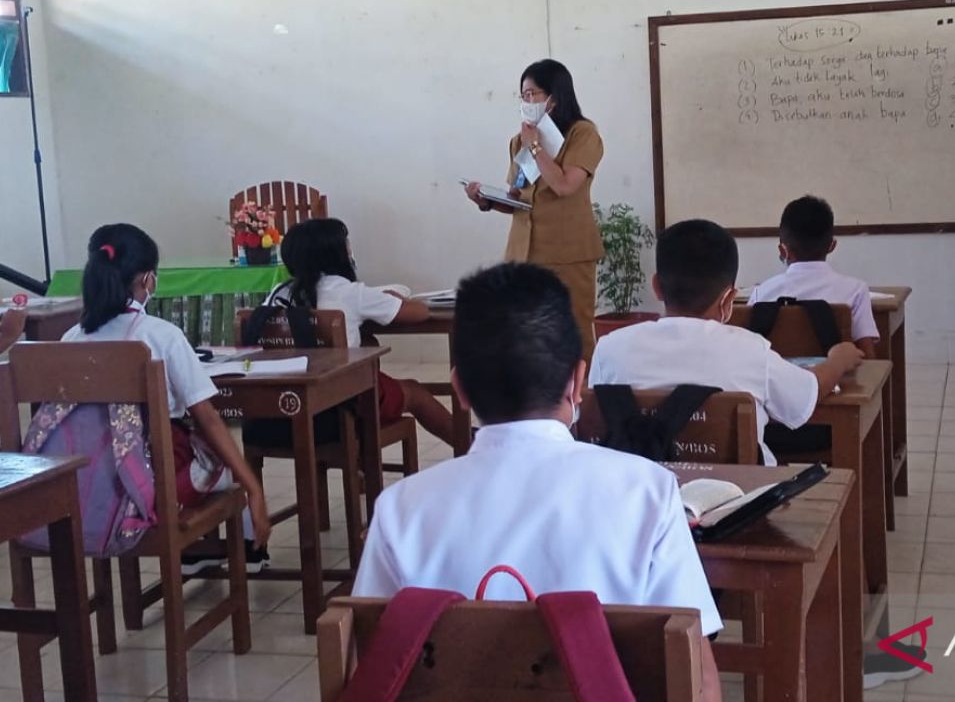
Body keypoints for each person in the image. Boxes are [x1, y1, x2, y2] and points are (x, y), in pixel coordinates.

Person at [352, 263, 722, 699]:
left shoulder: (400, 507)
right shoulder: (647, 490)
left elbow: (371, 652)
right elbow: (695, 669)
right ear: (577, 382)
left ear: (460, 389)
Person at [61, 223, 272, 573]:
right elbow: (207, 416)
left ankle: (198, 550)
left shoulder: (70, 338)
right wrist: (255, 489)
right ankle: (240, 548)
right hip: (152, 488)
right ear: (148, 280)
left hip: (92, 486)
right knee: (215, 454)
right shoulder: (160, 335)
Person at [589, 219, 863, 465]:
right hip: (735, 507)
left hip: (638, 505)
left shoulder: (610, 349)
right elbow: (808, 394)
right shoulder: (750, 350)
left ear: (657, 287)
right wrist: (838, 360)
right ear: (729, 299)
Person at [463, 59, 604, 362]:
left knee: (573, 333)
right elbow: (519, 196)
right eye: (522, 96)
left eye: (533, 95)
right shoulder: (519, 141)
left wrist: (537, 148)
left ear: (554, 95)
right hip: (523, 254)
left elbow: (565, 186)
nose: (527, 102)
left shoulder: (583, 134)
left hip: (568, 253)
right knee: (525, 335)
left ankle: (581, 401)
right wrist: (485, 200)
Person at [263, 218, 453, 442]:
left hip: (284, 399)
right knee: (415, 392)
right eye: (347, 244)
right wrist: (395, 299)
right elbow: (418, 313)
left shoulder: (279, 292)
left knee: (368, 342)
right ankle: (470, 444)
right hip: (342, 398)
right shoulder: (348, 292)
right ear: (336, 255)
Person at [749, 195, 880, 357]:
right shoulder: (856, 291)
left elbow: (749, 350)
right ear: (832, 246)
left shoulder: (760, 293)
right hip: (836, 381)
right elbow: (868, 357)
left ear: (783, 251)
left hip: (776, 381)